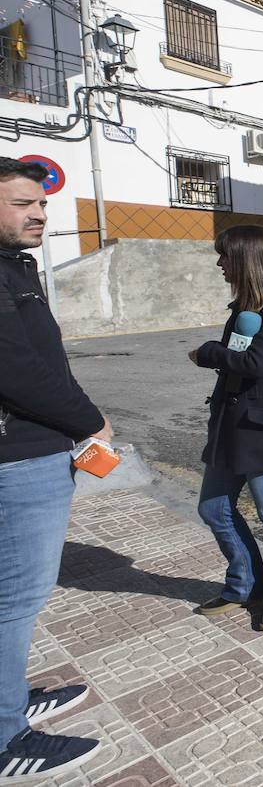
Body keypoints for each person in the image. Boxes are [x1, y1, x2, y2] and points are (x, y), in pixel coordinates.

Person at [0, 157, 107, 779]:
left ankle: (10, 694)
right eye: (22, 203)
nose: (40, 213)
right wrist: (89, 421)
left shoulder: (16, 265)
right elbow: (13, 368)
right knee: (16, 598)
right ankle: (7, 735)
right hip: (17, 460)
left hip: (36, 449)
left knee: (15, 597)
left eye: (41, 204)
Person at [188, 224, 263, 632]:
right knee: (213, 508)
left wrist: (208, 353)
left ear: (247, 260)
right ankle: (248, 584)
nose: (220, 264)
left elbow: (256, 363)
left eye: (225, 256)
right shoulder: (243, 306)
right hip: (231, 428)